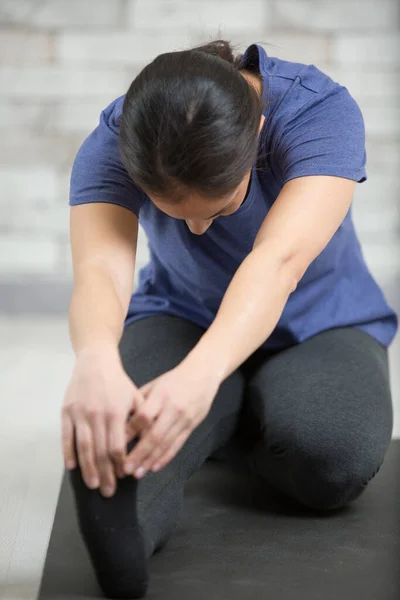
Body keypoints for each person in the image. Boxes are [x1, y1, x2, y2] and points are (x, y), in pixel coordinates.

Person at [61, 40, 397, 599]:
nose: (197, 233)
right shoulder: (119, 137)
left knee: (332, 461)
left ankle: (231, 412)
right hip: (181, 315)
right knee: (113, 464)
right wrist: (95, 358)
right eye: (176, 216)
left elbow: (277, 263)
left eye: (216, 211)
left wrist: (201, 377)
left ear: (258, 132)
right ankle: (224, 405)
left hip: (319, 321)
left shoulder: (319, 111)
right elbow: (100, 267)